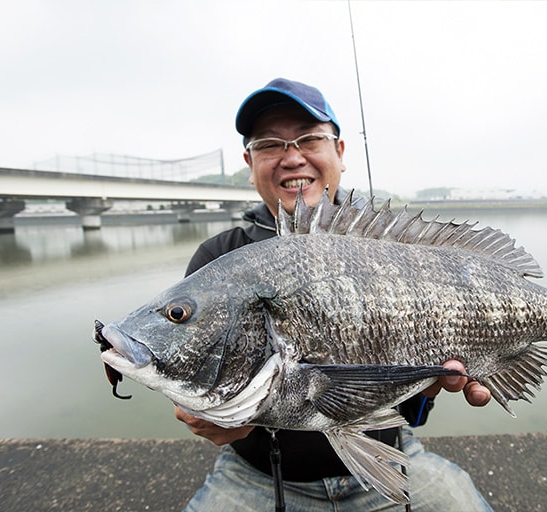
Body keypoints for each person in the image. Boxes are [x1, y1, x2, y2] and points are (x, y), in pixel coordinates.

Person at [177, 78, 494, 512]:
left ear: (339, 153)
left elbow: (414, 404)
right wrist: (208, 417)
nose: (292, 157)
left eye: (309, 138)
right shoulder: (218, 259)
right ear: (250, 163)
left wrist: (429, 388)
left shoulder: (399, 251)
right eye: (270, 145)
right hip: (258, 477)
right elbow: (193, 367)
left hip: (390, 459)